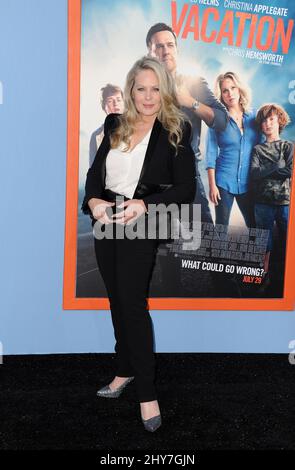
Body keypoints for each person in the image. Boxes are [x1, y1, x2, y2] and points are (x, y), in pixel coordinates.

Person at [81, 56, 196, 432]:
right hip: (106, 219)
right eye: (141, 88)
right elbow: (95, 174)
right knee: (117, 299)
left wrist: (144, 203)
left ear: (165, 89)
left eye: (156, 88)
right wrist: (94, 201)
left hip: (142, 220)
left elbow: (185, 189)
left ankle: (147, 392)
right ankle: (125, 369)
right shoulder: (114, 123)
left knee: (132, 304)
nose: (148, 97)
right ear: (131, 90)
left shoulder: (177, 129)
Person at [146, 22, 228, 224]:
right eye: (159, 46)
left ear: (177, 49)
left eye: (170, 45)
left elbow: (222, 120)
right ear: (149, 52)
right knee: (156, 250)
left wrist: (190, 101)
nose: (165, 51)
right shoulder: (140, 88)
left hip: (185, 176)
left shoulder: (193, 83)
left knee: (203, 241)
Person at [206, 71, 261, 229]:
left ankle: (258, 254)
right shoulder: (216, 119)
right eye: (225, 90)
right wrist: (212, 185)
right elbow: (210, 153)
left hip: (248, 182)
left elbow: (262, 148)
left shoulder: (254, 117)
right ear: (221, 95)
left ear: (239, 89)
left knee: (254, 227)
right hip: (223, 182)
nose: (230, 93)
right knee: (221, 227)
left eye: (233, 88)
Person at [250, 103, 293, 276]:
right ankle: (263, 275)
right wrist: (276, 165)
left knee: (289, 238)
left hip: (285, 202)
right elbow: (254, 174)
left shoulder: (288, 146)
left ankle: (288, 277)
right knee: (264, 242)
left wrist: (266, 171)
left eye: (271, 119)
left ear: (279, 121)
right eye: (264, 121)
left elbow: (289, 171)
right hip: (262, 203)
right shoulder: (257, 149)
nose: (268, 123)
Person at [89, 84, 124, 167]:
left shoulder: (137, 129)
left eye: (119, 100)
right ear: (104, 106)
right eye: (110, 101)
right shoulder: (96, 136)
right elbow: (93, 170)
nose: (115, 104)